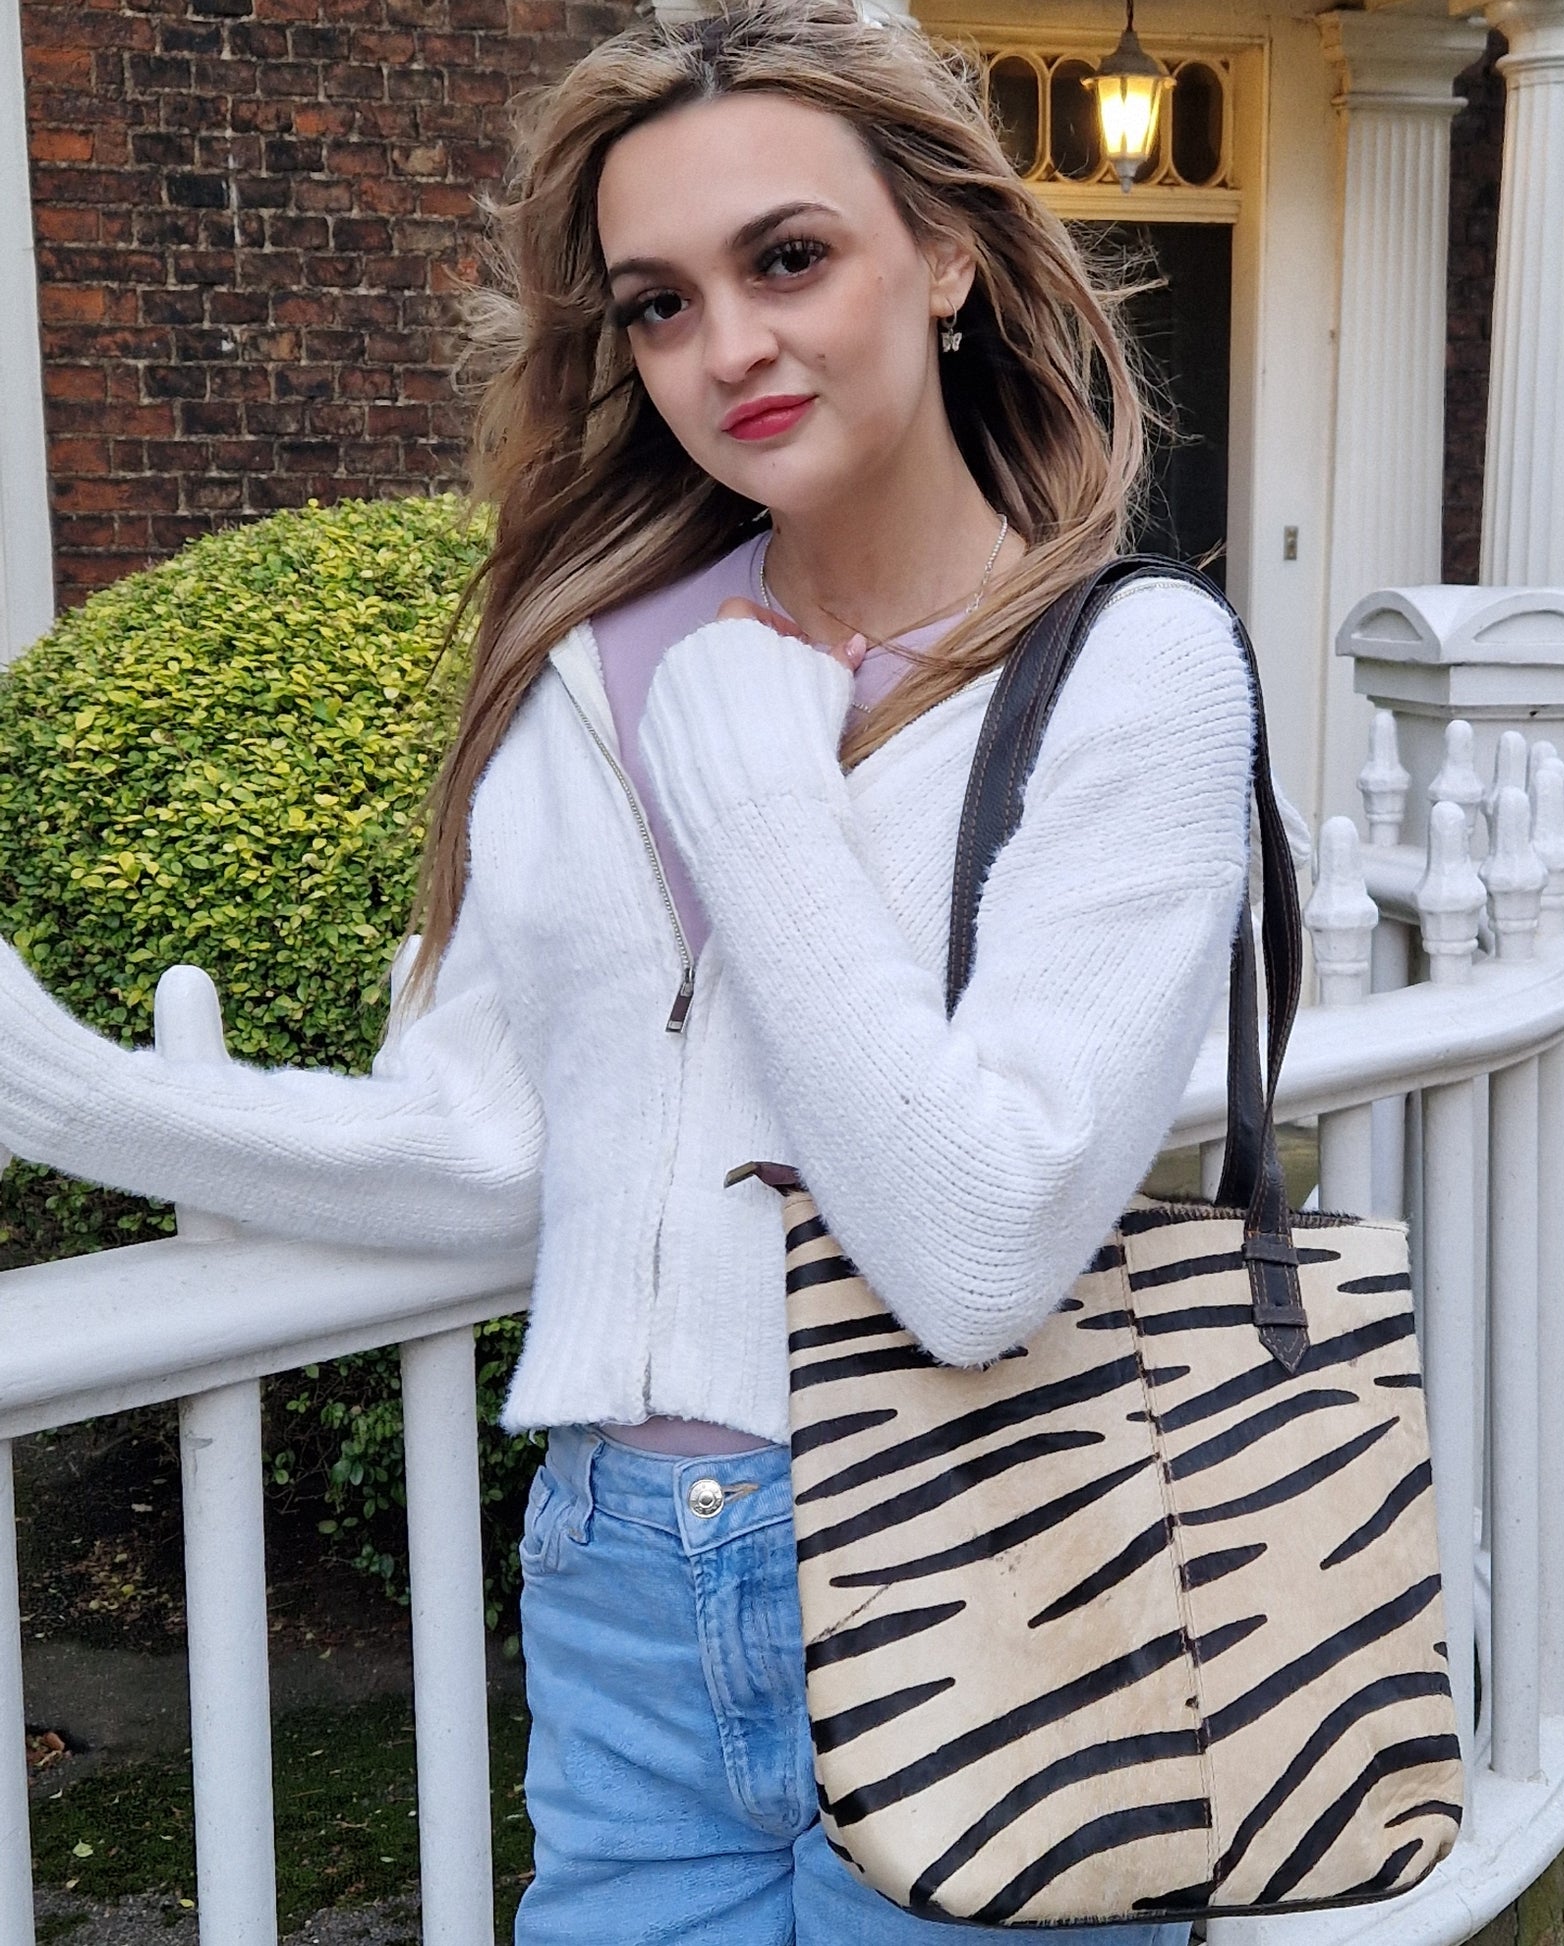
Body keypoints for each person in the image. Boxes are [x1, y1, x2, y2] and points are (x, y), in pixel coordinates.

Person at [0, 3, 1258, 1938]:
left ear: (943, 256)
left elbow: (983, 1244)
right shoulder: (587, 667)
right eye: (657, 303)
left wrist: (757, 792)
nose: (725, 347)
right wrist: (79, 1093)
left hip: (987, 1552)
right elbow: (512, 1150)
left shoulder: (1133, 671)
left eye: (787, 259)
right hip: (617, 1585)